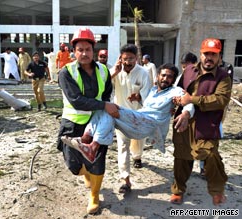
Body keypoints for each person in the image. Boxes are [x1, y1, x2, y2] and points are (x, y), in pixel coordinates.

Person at [61, 63, 194, 163]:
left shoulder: (175, 91)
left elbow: (189, 102)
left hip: (149, 124)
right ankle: (86, 139)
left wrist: (185, 114)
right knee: (104, 108)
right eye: (163, 75)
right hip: (139, 122)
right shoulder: (153, 90)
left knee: (110, 108)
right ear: (158, 75)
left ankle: (92, 147)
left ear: (174, 79)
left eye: (170, 77)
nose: (165, 79)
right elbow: (149, 107)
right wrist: (139, 98)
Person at [57, 27, 117, 214]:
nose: (84, 53)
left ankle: (94, 196)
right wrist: (104, 106)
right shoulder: (66, 72)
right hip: (73, 122)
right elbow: (76, 100)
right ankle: (85, 172)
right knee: (73, 165)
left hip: (97, 123)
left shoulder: (103, 70)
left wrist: (105, 110)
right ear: (74, 52)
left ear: (93, 50)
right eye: (80, 49)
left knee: (98, 159)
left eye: (88, 49)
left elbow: (106, 94)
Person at [170, 38, 232, 206]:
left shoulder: (223, 77)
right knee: (181, 157)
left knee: (211, 155)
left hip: (207, 124)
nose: (209, 58)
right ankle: (178, 190)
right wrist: (174, 101)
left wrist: (192, 99)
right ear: (201, 54)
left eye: (213, 54)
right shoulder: (189, 70)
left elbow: (220, 100)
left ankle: (217, 190)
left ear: (219, 57)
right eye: (206, 54)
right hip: (184, 122)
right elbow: (178, 90)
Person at [109, 44, 151, 194]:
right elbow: (103, 85)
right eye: (125, 59)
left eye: (131, 58)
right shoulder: (115, 72)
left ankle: (137, 156)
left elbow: (148, 97)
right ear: (120, 58)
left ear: (137, 58)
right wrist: (114, 72)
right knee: (122, 146)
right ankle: (125, 180)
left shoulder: (143, 73)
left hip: (138, 115)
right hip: (120, 115)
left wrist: (139, 97)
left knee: (139, 141)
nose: (128, 62)